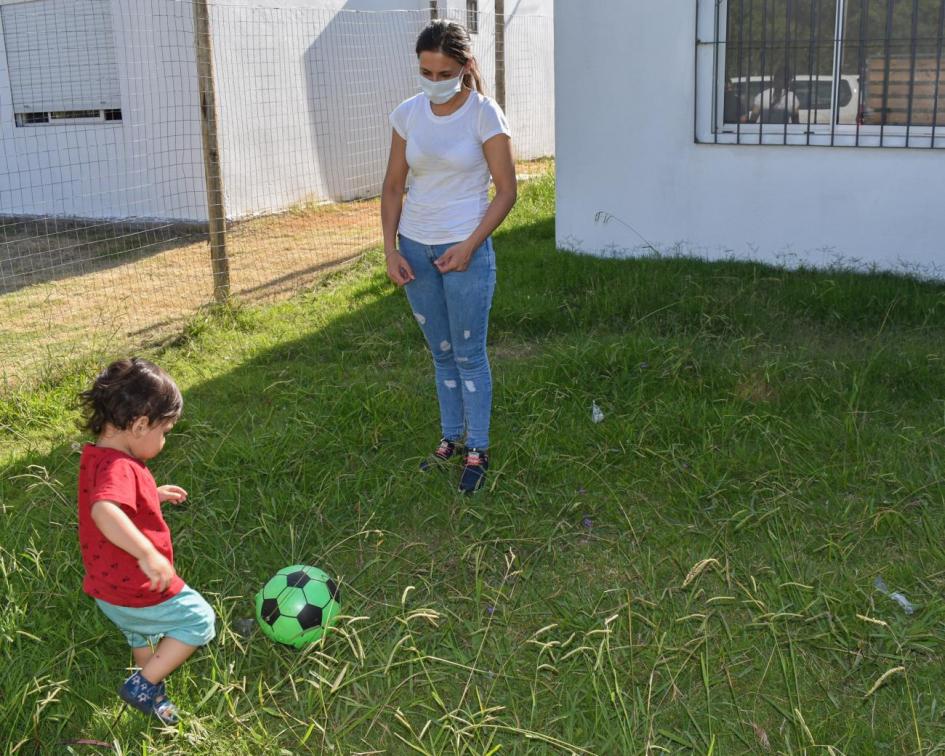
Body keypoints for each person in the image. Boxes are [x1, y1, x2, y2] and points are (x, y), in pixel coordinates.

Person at [381, 19, 517, 494]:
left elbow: (506, 192)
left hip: (466, 249)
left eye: (444, 74)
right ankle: (450, 440)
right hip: (416, 250)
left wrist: (470, 245)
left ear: (464, 67)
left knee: (469, 354)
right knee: (440, 356)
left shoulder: (484, 114)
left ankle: (478, 448)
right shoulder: (407, 114)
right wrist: (390, 248)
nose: (434, 82)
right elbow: (394, 186)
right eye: (426, 72)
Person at [77, 357, 215, 725]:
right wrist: (147, 553)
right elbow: (105, 511)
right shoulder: (120, 467)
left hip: (107, 589)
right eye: (165, 431)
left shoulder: (98, 457)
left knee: (142, 635)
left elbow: (114, 496)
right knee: (200, 620)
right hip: (134, 586)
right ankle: (143, 685)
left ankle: (151, 693)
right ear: (140, 425)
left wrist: (151, 493)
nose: (165, 440)